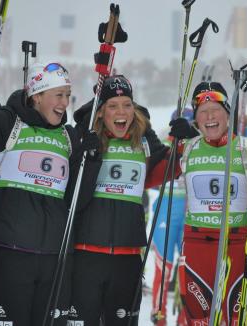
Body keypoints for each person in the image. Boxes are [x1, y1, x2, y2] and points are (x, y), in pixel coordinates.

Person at [0, 53, 100, 325]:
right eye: (58, 95)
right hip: (11, 255)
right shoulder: (9, 124)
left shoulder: (69, 138)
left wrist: (92, 160)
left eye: (67, 95)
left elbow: (76, 201)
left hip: (54, 260)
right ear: (36, 96)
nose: (64, 103)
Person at [169, 81, 247, 325]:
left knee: (241, 318)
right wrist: (170, 141)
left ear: (228, 113)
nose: (210, 117)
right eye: (202, 112)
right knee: (199, 318)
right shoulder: (187, 149)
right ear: (195, 118)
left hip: (238, 244)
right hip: (198, 246)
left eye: (216, 110)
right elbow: (151, 170)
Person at [69, 75, 174, 326]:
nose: (121, 112)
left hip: (127, 257)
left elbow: (165, 169)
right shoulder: (86, 135)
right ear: (101, 110)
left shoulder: (144, 139)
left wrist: (180, 146)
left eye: (127, 104)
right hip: (86, 255)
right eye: (113, 105)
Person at [149, 108, 193, 326]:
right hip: (166, 205)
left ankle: (186, 320)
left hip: (189, 208)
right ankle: (160, 316)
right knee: (163, 266)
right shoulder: (165, 143)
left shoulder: (197, 145)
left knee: (188, 268)